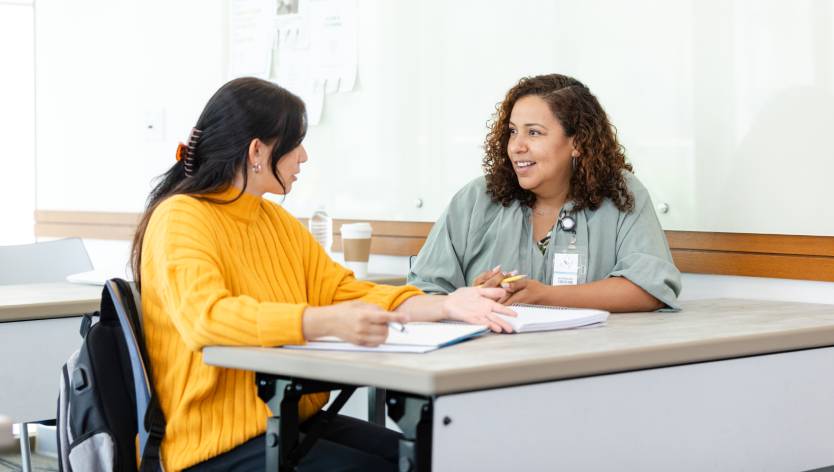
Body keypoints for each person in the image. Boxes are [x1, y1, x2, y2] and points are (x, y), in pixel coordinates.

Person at [130, 77, 515, 471]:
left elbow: (340, 291)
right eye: (295, 143)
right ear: (257, 150)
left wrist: (445, 305)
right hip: (212, 444)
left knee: (429, 456)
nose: (304, 156)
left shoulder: (274, 220)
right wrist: (323, 322)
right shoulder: (180, 218)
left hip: (287, 421)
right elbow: (206, 318)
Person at [407, 74, 682, 312]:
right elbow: (422, 292)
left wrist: (543, 296)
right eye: (513, 132)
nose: (516, 146)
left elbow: (649, 289)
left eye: (534, 133)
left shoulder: (620, 193)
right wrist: (473, 299)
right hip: (487, 359)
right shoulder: (477, 199)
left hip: (588, 362)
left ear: (577, 142)